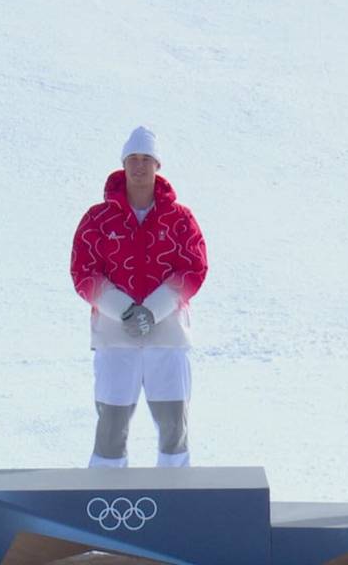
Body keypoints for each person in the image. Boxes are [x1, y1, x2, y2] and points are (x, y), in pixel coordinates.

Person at [70, 126, 208, 468]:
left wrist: (154, 310)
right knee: (112, 426)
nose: (140, 166)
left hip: (168, 335)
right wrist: (125, 310)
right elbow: (84, 271)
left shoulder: (180, 219)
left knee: (173, 426)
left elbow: (194, 267)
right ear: (123, 164)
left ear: (158, 165)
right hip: (115, 338)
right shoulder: (97, 219)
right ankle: (105, 500)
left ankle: (175, 495)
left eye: (147, 159)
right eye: (133, 159)